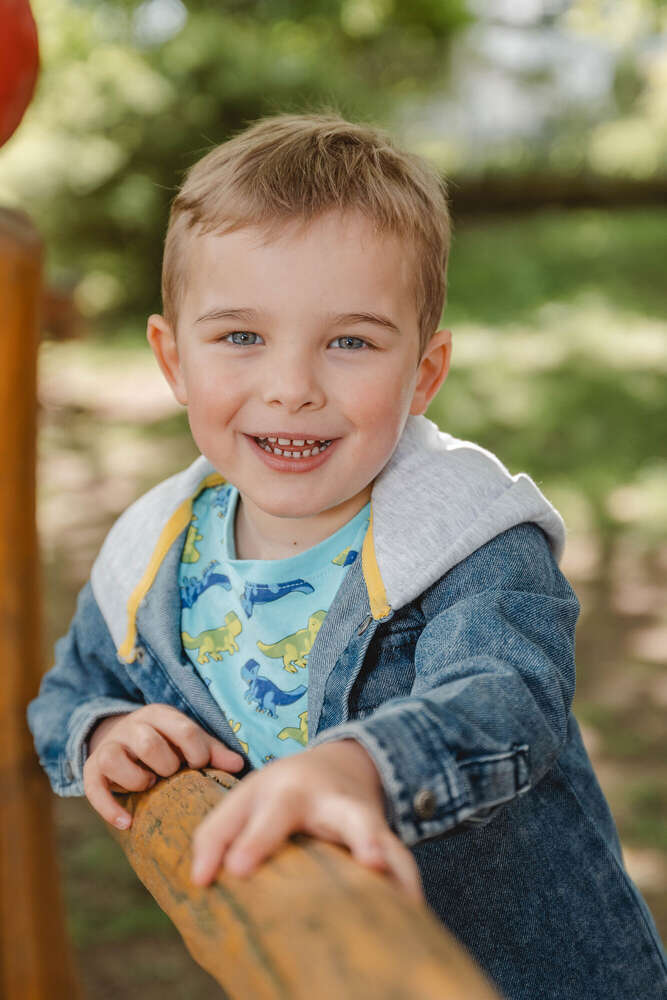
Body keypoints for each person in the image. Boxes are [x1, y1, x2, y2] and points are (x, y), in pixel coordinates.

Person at [28, 112, 666, 999]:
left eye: (351, 341)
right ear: (173, 361)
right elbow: (67, 691)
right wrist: (102, 733)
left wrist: (361, 766)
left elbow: (505, 699)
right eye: (241, 337)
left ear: (424, 373)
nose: (292, 388)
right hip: (306, 962)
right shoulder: (153, 552)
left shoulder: (466, 541)